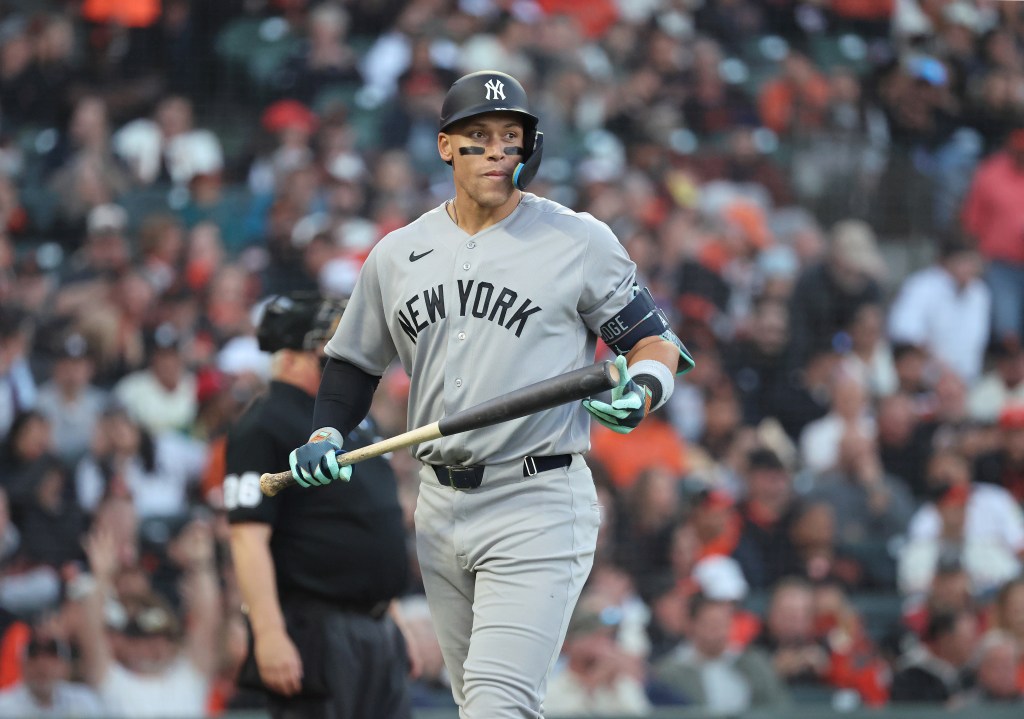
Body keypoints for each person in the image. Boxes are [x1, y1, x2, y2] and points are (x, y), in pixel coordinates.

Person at [285, 70, 693, 719]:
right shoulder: (399, 252)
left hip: (537, 497)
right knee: (475, 700)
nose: (499, 150)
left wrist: (644, 389)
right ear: (446, 145)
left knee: (497, 705)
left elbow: (655, 342)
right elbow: (352, 363)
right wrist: (326, 431)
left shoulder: (577, 240)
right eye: (479, 136)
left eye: (512, 137)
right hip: (440, 505)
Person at [226, 292, 415, 719]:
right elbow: (246, 537)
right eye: (328, 343)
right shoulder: (263, 422)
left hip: (375, 627)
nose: (342, 353)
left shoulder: (352, 421)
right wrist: (269, 633)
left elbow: (368, 523)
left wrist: (392, 618)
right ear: (291, 356)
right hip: (315, 629)